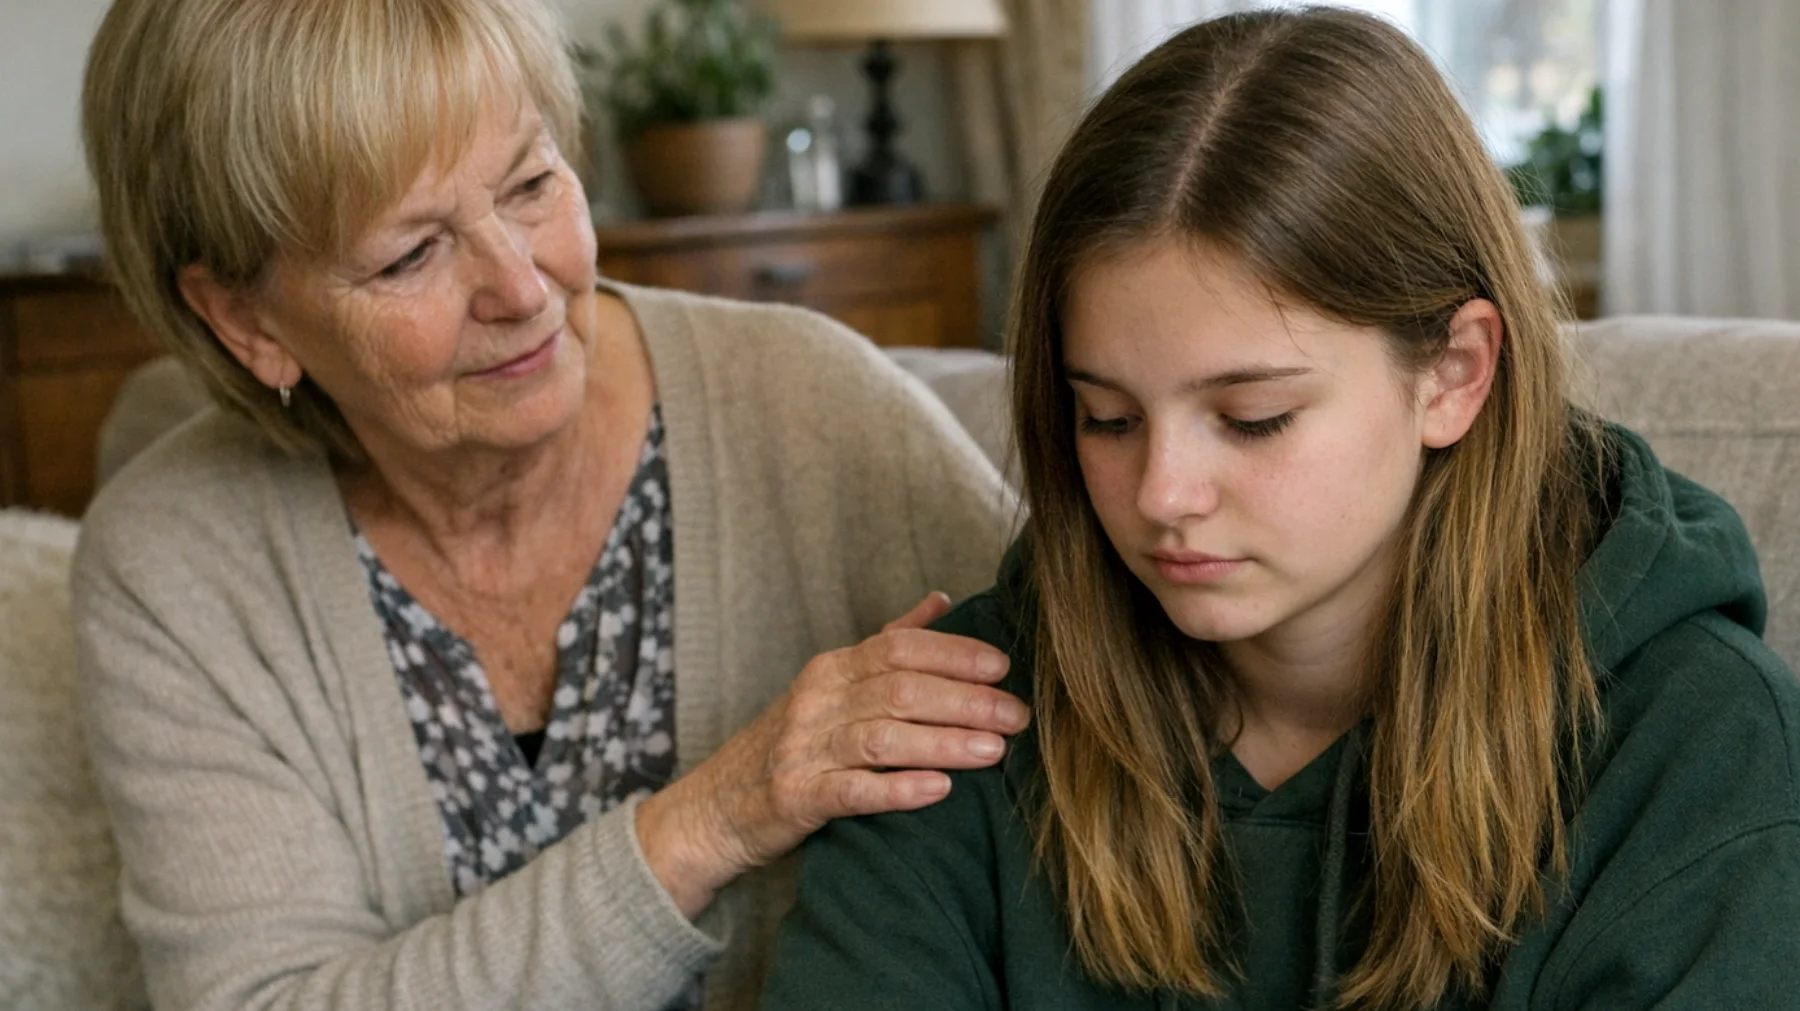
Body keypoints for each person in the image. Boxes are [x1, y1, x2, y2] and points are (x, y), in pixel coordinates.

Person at [761, 8, 1800, 1009]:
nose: (1162, 495)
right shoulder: (952, 720)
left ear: (1453, 373)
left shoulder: (1701, 745)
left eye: (1253, 417)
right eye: (1108, 418)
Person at [72, 0, 1026, 1008]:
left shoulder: (808, 406)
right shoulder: (174, 565)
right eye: (410, 255)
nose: (523, 288)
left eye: (531, 184)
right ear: (244, 316)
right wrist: (711, 820)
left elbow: (1126, 720)